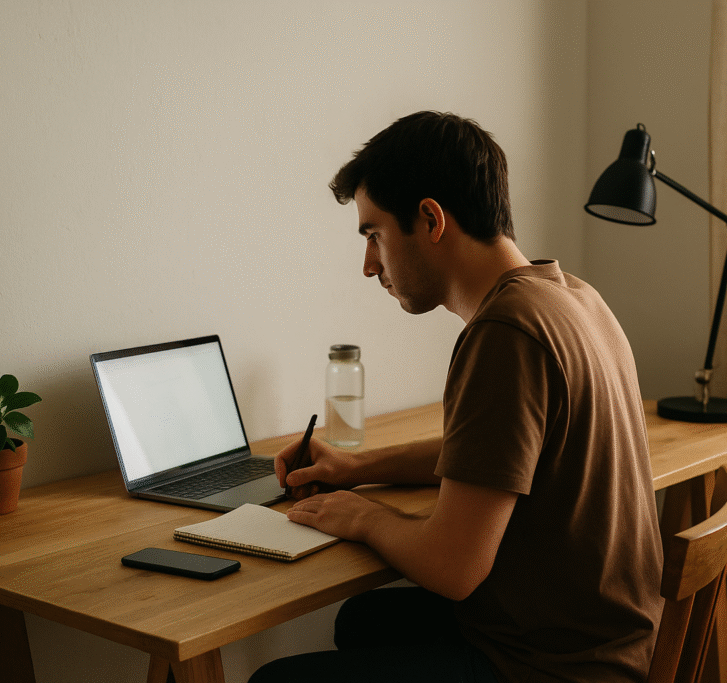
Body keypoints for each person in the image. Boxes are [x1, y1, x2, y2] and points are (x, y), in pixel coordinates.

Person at [249, 111, 663, 683]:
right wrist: (356, 468)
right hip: (601, 636)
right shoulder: (572, 297)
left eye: (374, 235)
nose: (369, 266)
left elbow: (453, 567)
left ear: (430, 219)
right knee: (363, 621)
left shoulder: (505, 332)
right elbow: (488, 456)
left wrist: (365, 516)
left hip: (556, 667)